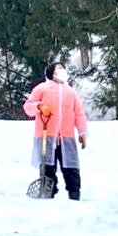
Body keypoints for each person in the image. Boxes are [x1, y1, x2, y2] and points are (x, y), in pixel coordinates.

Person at [23, 61, 90, 200]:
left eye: (63, 68)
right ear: (51, 73)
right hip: (46, 136)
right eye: (58, 69)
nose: (62, 71)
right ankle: (48, 193)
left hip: (66, 137)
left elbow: (79, 113)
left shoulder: (71, 92)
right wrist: (40, 106)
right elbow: (28, 106)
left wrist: (82, 132)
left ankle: (74, 195)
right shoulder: (42, 88)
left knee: (71, 168)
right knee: (47, 167)